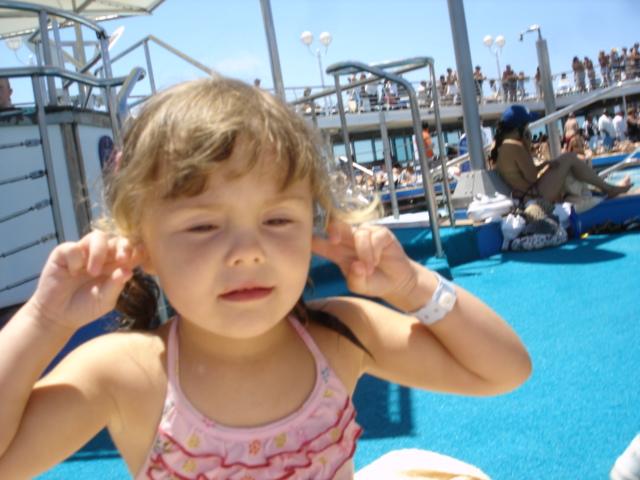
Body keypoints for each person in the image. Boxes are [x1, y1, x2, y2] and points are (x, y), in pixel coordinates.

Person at [0, 77, 532, 479]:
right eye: (203, 225)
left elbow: (504, 370)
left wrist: (411, 285)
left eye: (277, 220)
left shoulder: (339, 337)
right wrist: (44, 321)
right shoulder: (129, 372)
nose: (247, 253)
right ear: (144, 248)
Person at [491, 104, 631, 202]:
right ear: (519, 128)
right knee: (569, 158)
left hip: (527, 194)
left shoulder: (499, 146)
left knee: (563, 164)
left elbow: (522, 175)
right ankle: (608, 189)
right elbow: (532, 177)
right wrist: (528, 148)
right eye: (527, 126)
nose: (529, 130)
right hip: (536, 195)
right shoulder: (515, 146)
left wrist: (545, 164)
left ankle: (604, 189)